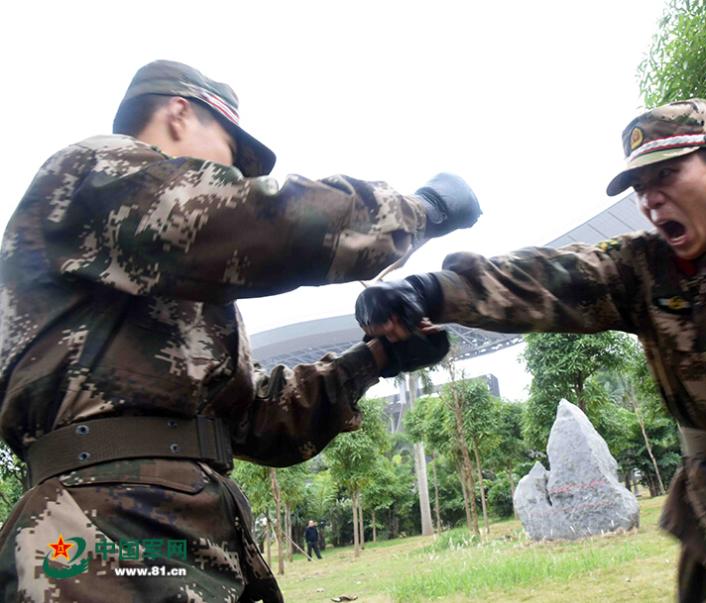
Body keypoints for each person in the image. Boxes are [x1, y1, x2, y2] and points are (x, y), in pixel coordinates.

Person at [356, 99, 706, 601]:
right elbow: (547, 278)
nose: (650, 198)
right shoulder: (643, 269)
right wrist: (428, 290)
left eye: (668, 174)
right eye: (640, 186)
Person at [0, 60, 479, 602]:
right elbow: (261, 220)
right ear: (179, 113)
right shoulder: (94, 169)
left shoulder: (169, 285)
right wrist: (422, 210)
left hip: (183, 529)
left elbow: (253, 422)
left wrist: (378, 357)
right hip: (98, 533)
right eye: (232, 151)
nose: (237, 174)